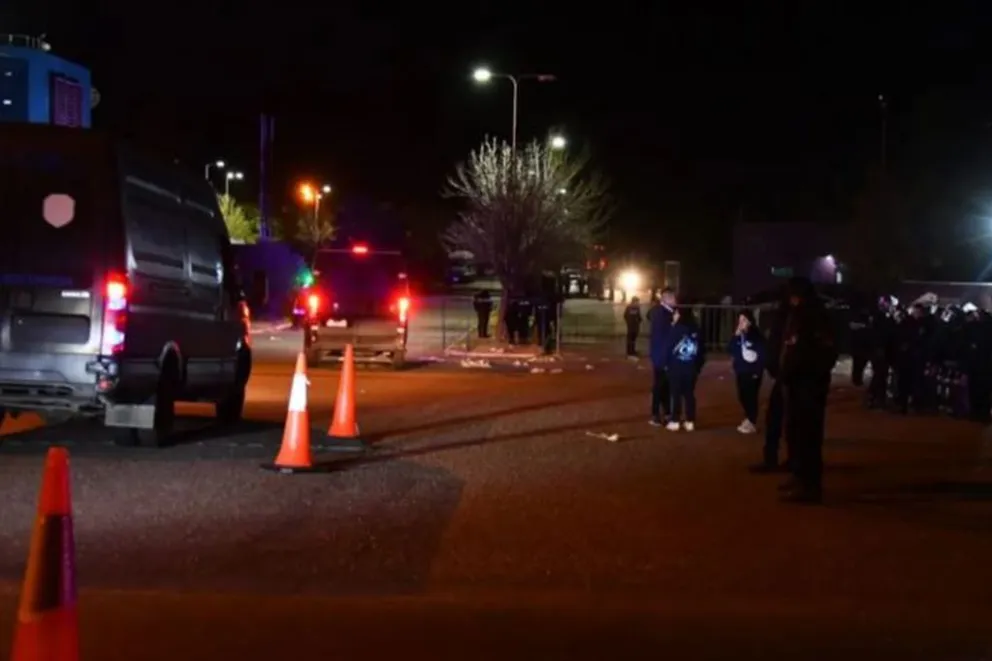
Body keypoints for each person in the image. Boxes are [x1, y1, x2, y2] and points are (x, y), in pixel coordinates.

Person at [778, 277, 837, 504]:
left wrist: (806, 372)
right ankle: (799, 476)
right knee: (796, 432)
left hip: (809, 385)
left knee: (809, 435)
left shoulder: (815, 316)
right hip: (796, 383)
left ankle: (810, 485)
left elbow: (823, 351)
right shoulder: (798, 314)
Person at [750, 289, 791, 473]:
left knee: (787, 420)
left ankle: (791, 461)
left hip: (793, 377)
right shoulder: (788, 316)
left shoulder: (798, 318)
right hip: (786, 376)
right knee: (776, 418)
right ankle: (775, 458)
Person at [661, 307, 706, 431]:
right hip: (691, 368)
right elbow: (701, 351)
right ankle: (690, 420)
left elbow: (669, 349)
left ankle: (675, 420)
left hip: (676, 367)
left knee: (675, 394)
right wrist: (698, 367)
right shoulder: (696, 329)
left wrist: (666, 364)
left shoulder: (676, 330)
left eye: (675, 314)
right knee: (689, 394)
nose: (674, 316)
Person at [728, 309, 766, 434]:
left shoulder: (756, 336)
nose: (741, 323)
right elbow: (731, 350)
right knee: (742, 395)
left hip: (752, 372)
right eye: (740, 320)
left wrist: (758, 371)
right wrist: (735, 336)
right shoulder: (739, 335)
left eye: (744, 320)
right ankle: (748, 417)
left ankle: (751, 420)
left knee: (751, 396)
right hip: (741, 371)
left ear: (750, 322)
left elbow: (762, 354)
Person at [648, 288, 677, 426]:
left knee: (665, 386)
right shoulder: (662, 314)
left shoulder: (660, 312)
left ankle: (666, 413)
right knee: (660, 386)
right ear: (666, 299)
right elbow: (664, 338)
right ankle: (656, 415)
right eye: (673, 298)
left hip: (660, 355)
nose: (675, 300)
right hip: (662, 356)